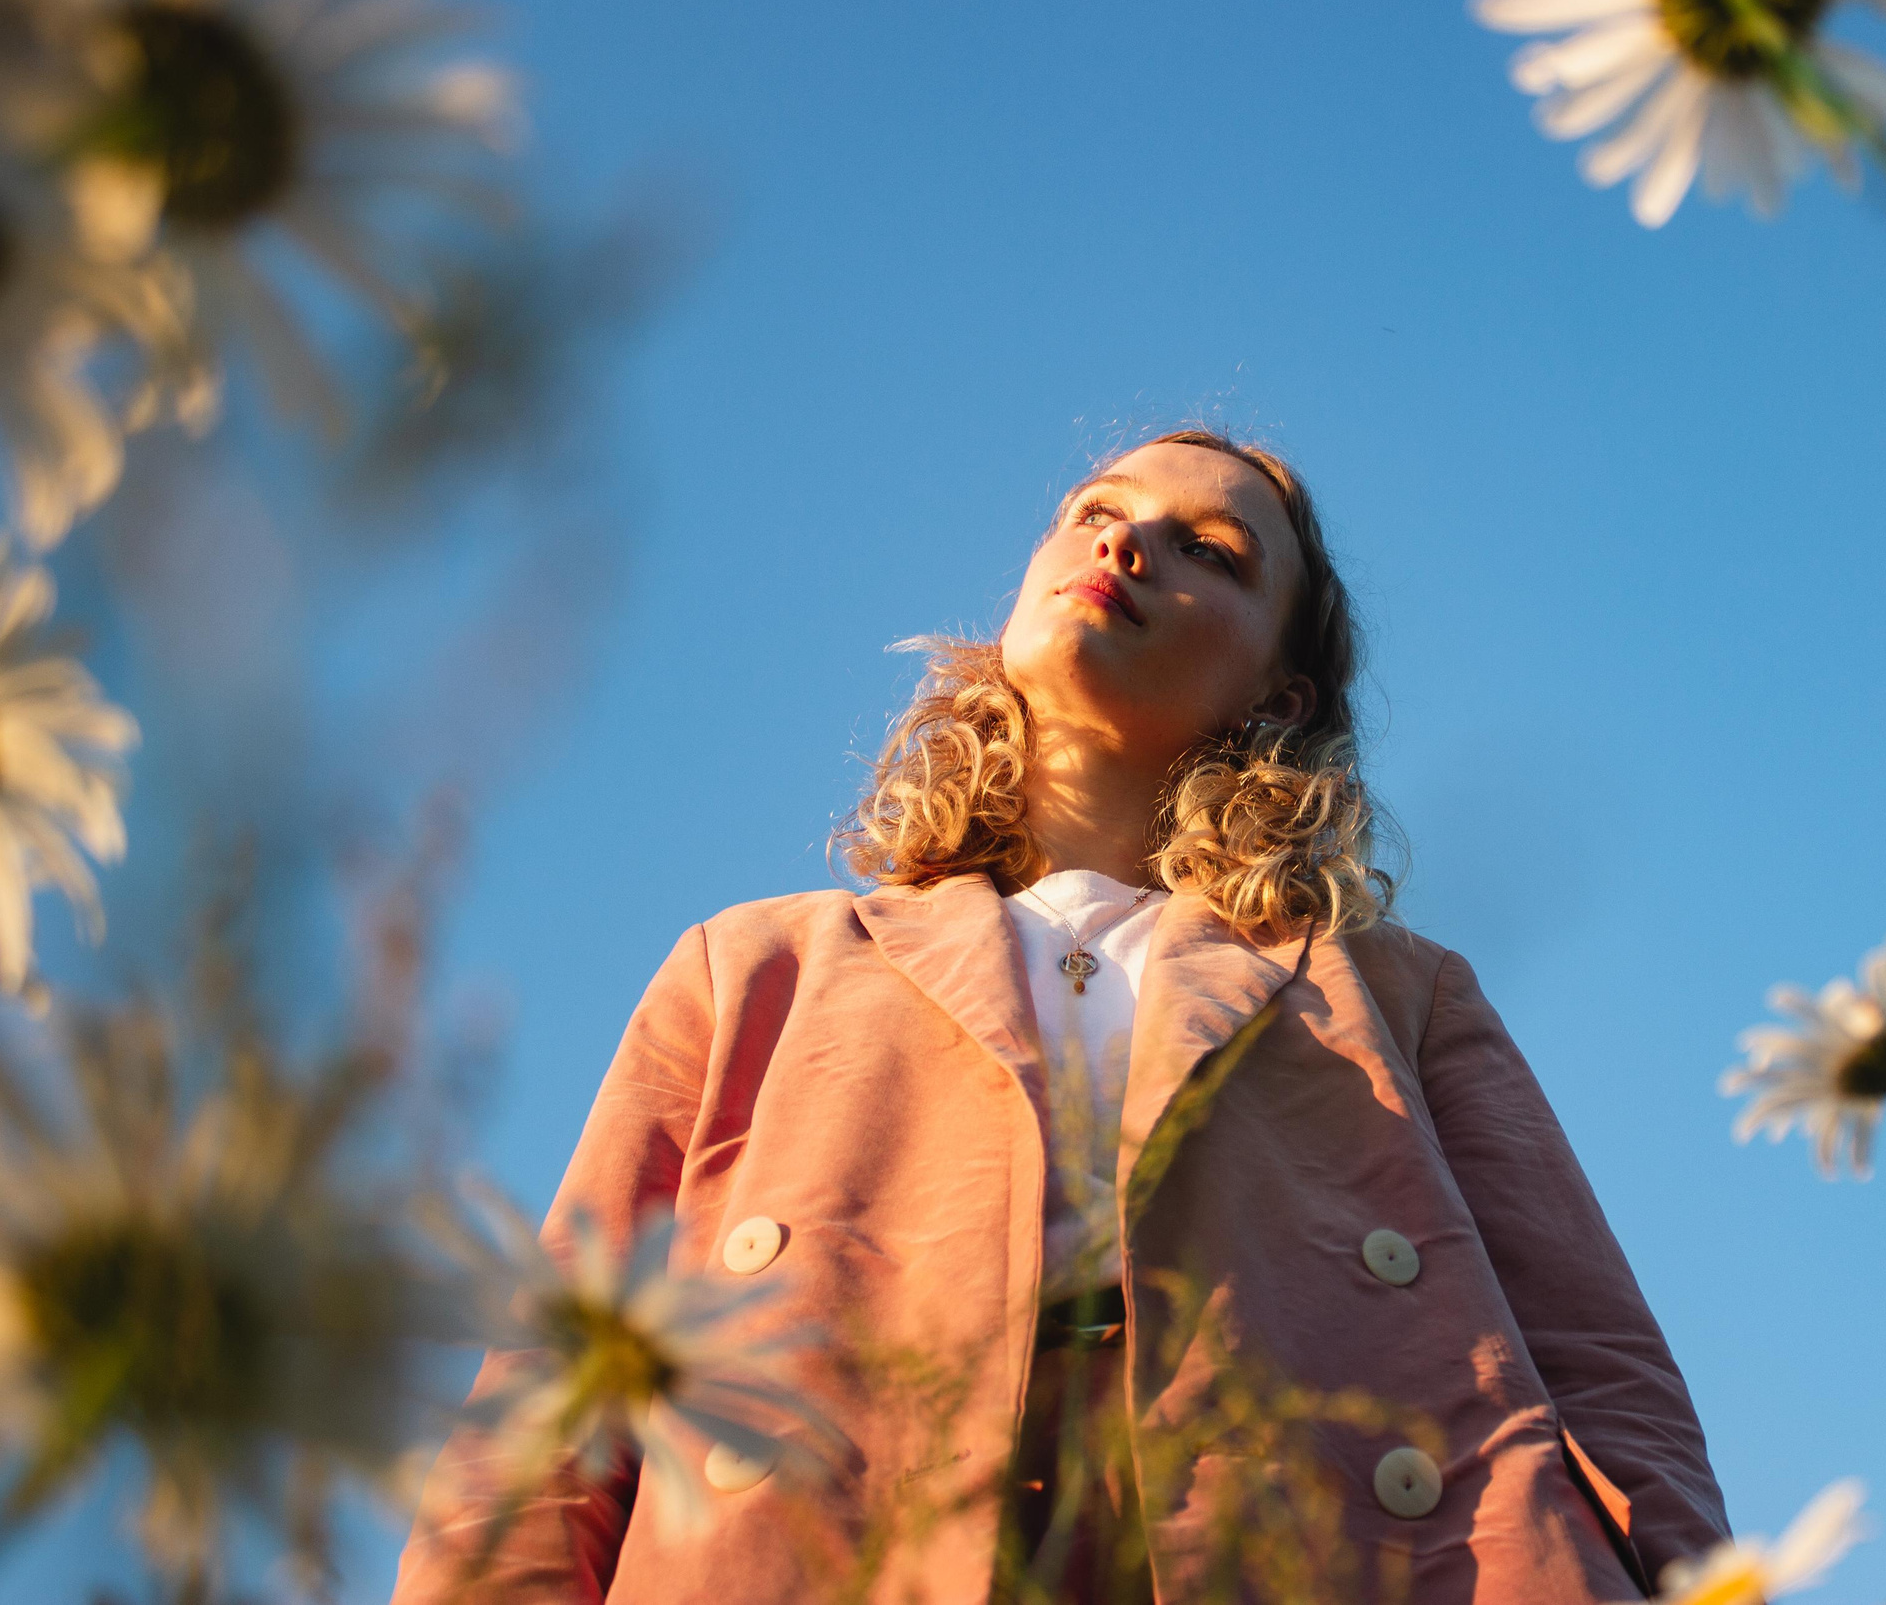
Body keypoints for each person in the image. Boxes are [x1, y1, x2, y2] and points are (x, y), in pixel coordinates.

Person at [390, 429, 1727, 1604]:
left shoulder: (1396, 993)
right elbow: (548, 1419)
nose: (1128, 540)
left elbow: (1608, 1385)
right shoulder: (754, 966)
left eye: (1207, 549)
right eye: (1097, 512)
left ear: (1281, 695)